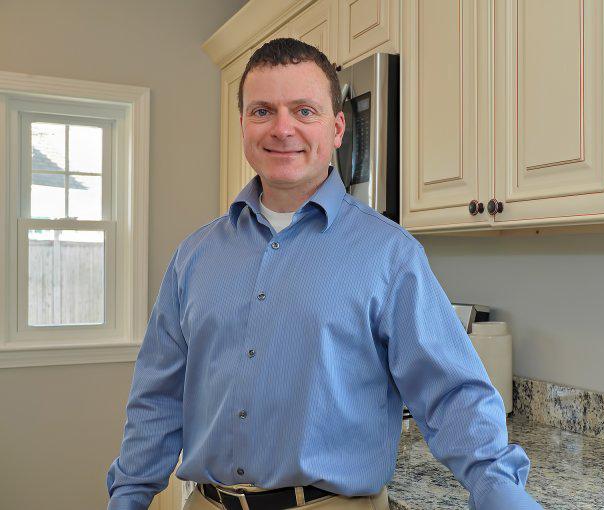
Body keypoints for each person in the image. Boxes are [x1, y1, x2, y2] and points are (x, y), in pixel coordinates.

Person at [106, 38, 542, 510]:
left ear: (336, 128)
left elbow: (451, 393)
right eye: (262, 111)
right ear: (244, 125)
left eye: (304, 111)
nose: (282, 129)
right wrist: (128, 496)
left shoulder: (390, 255)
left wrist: (499, 490)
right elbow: (158, 396)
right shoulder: (194, 257)